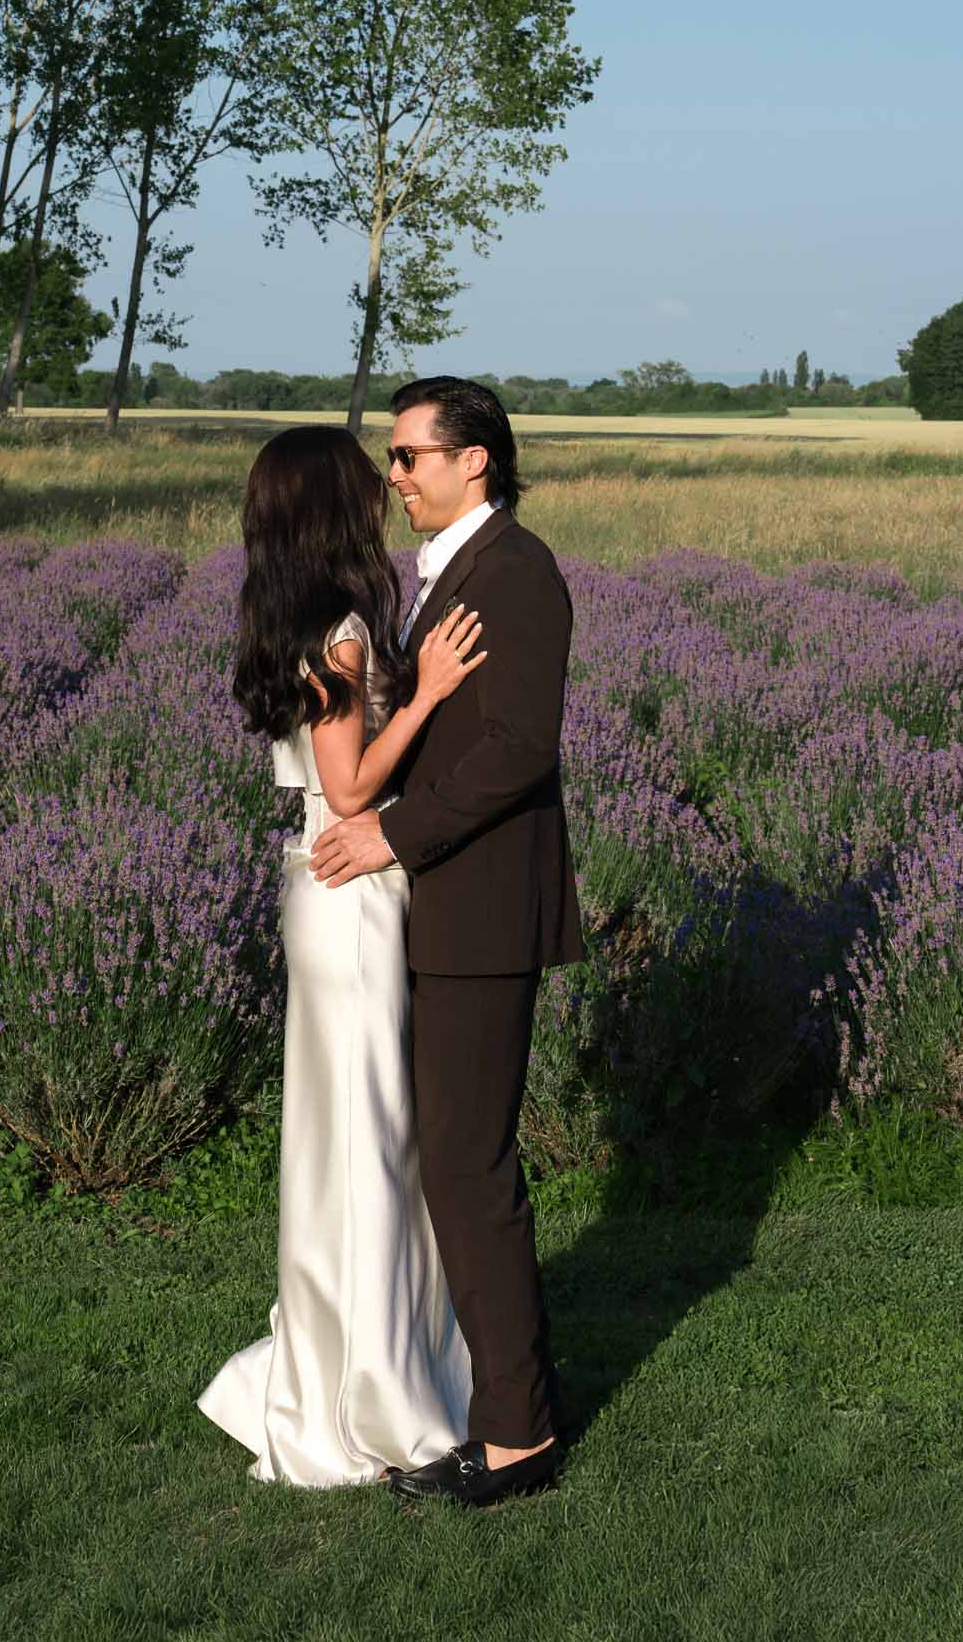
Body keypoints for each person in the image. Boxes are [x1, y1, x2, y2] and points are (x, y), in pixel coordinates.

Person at [309, 377, 584, 1508]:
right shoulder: (448, 572)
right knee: (452, 1163)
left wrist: (387, 835)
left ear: (475, 460)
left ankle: (519, 1435)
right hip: (444, 901)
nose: (395, 475)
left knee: (469, 1166)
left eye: (410, 454)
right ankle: (489, 1394)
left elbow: (519, 748)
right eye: (391, 456)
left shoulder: (515, 573)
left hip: (478, 908)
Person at [196, 423, 486, 1485]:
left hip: (320, 887)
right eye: (371, 478)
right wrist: (428, 694)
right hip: (354, 892)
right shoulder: (342, 627)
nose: (385, 488)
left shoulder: (293, 613)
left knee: (342, 1138)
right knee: (369, 1144)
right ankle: (375, 1398)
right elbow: (353, 785)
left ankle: (348, 1366)